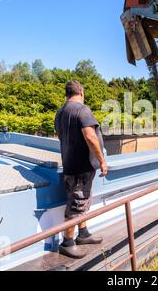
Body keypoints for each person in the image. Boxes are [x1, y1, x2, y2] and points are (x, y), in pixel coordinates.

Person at [55, 81, 107, 259]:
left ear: (66, 94)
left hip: (70, 166)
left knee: (82, 201)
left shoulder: (60, 112)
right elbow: (90, 136)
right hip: (81, 169)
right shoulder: (82, 110)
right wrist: (102, 161)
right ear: (81, 92)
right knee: (76, 206)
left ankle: (83, 234)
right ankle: (67, 243)